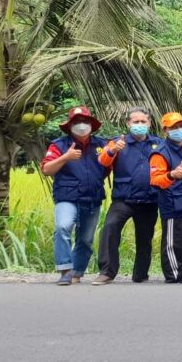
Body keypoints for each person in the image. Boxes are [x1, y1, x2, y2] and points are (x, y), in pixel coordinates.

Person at [41, 106, 109, 286]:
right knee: (63, 227)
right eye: (77, 122)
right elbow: (47, 169)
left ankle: (77, 273)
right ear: (70, 125)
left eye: (85, 121)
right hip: (67, 196)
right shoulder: (59, 145)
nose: (81, 125)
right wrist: (66, 157)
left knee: (85, 239)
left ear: (91, 125)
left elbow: (108, 167)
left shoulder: (101, 145)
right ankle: (65, 270)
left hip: (92, 196)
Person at [92, 108, 160, 285]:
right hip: (123, 199)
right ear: (128, 124)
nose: (139, 125)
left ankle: (140, 275)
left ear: (149, 123)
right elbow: (102, 161)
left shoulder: (158, 143)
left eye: (143, 122)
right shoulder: (117, 142)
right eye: (135, 122)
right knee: (110, 229)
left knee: (145, 238)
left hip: (150, 199)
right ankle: (107, 272)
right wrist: (113, 151)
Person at [149, 112, 182, 283]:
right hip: (173, 204)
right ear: (165, 130)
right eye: (173, 127)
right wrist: (172, 174)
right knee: (173, 243)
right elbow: (155, 180)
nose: (179, 129)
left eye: (180, 125)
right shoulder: (161, 153)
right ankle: (173, 275)